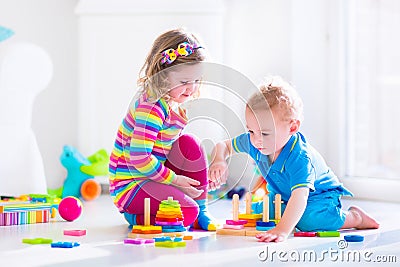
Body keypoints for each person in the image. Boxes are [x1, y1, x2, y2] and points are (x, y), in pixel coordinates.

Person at [208, 76, 380, 242]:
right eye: (251, 131)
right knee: (261, 211)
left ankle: (354, 217)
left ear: (293, 127)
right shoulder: (255, 141)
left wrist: (282, 230)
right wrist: (219, 161)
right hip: (284, 195)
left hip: (318, 196)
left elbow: (300, 196)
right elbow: (223, 146)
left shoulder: (300, 158)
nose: (256, 140)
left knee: (308, 222)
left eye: (265, 133)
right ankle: (288, 215)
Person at [109, 28, 216, 231]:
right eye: (184, 82)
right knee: (186, 213)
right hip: (131, 187)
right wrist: (174, 180)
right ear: (163, 76)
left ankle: (202, 209)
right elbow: (140, 159)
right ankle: (136, 217)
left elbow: (164, 147)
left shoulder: (167, 102)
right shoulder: (150, 108)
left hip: (152, 178)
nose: (192, 88)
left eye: (196, 80)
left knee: (190, 143)